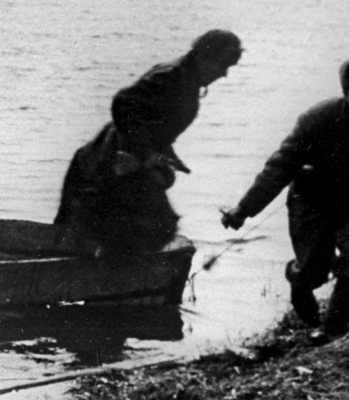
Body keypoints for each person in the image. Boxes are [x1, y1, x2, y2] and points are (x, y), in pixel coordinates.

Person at [222, 55, 349, 339]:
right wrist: (243, 210)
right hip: (312, 200)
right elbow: (280, 166)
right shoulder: (318, 119)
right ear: (346, 92)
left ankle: (332, 330)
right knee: (313, 270)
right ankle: (298, 282)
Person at [55, 29, 243, 254]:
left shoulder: (187, 82)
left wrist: (167, 155)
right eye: (223, 65)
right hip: (106, 160)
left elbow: (153, 125)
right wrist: (144, 153)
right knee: (152, 226)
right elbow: (123, 103)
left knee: (145, 226)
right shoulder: (172, 76)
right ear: (204, 56)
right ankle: (116, 277)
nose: (223, 74)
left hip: (125, 162)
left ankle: (114, 276)